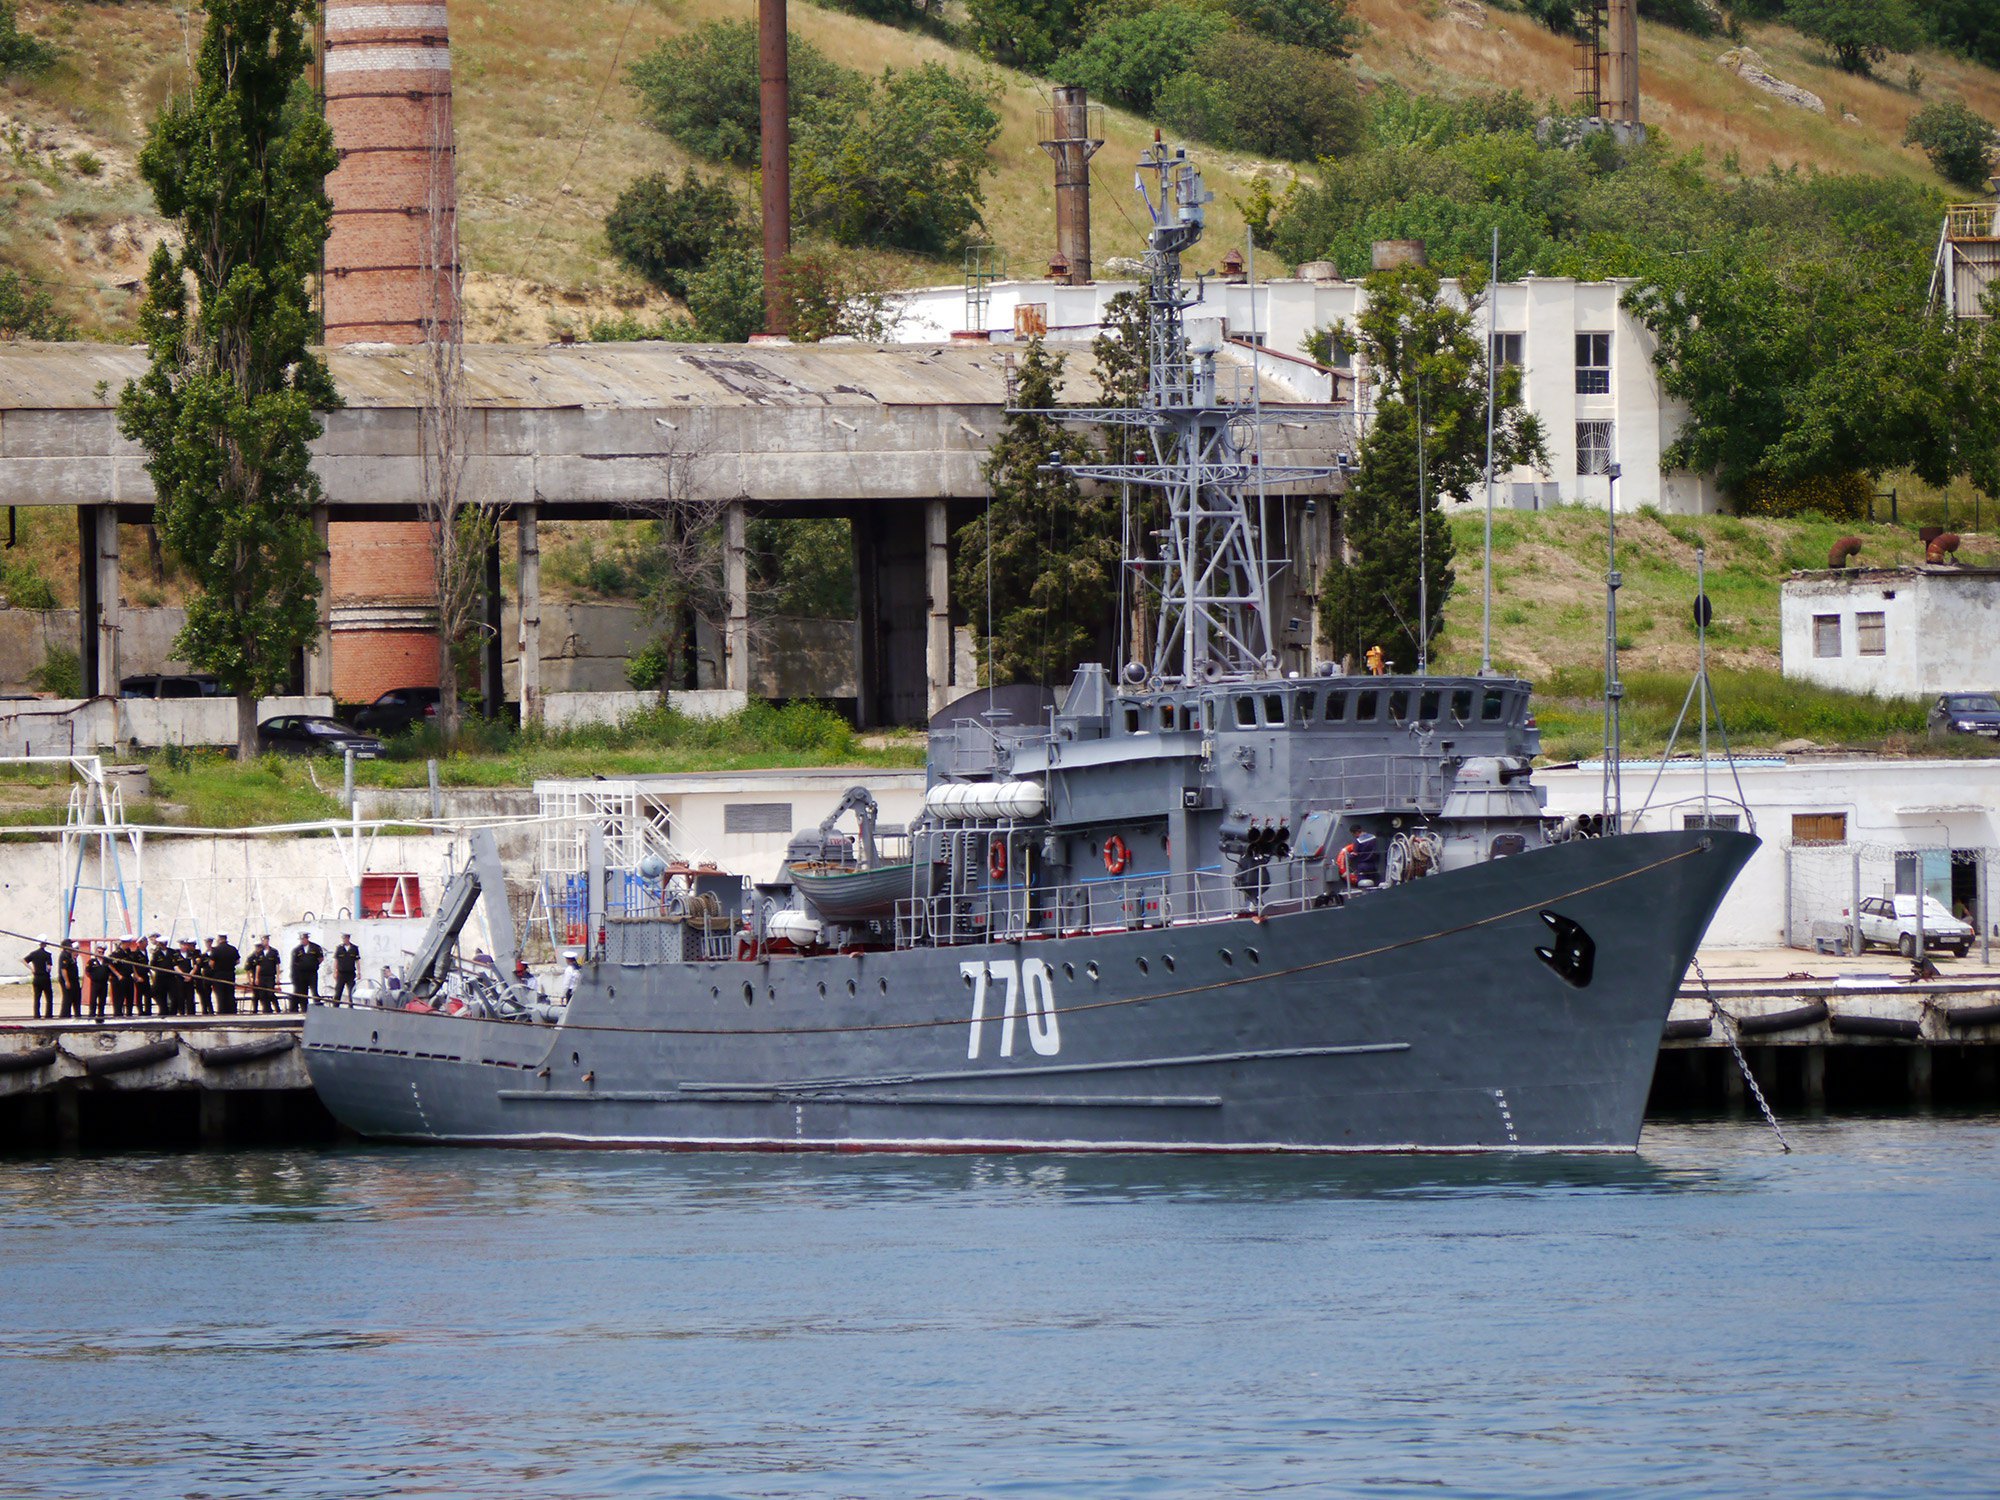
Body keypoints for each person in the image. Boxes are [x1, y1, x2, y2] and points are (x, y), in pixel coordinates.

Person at [290, 932, 324, 1011]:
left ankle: (318, 1008)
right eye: (301, 939)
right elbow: (294, 963)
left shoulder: (315, 947)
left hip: (312, 973)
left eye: (303, 939)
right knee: (303, 992)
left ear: (307, 938)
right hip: (301, 974)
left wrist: (313, 964)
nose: (302, 941)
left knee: (314, 991)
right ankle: (304, 1009)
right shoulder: (297, 950)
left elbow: (320, 958)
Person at [23, 935, 53, 1020]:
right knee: (48, 997)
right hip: (45, 977)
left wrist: (32, 969)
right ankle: (48, 1014)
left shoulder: (33, 954)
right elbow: (49, 967)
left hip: (36, 977)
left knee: (37, 997)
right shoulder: (47, 954)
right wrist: (48, 970)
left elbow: (24, 960)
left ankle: (36, 1014)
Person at [252, 935, 281, 1015]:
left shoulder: (274, 952)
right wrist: (256, 978)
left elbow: (277, 965)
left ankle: (277, 1008)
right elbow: (258, 965)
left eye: (265, 940)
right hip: (262, 977)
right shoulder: (259, 953)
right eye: (262, 940)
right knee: (262, 994)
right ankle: (267, 1009)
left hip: (270, 976)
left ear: (268, 941)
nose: (263, 942)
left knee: (270, 993)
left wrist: (278, 977)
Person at [212, 932, 240, 1016]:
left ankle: (222, 1011)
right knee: (230, 993)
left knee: (220, 994)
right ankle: (231, 1011)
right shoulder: (233, 949)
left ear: (219, 938)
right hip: (230, 974)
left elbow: (211, 963)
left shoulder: (216, 950)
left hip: (219, 974)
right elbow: (237, 961)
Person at [85, 945, 111, 1023]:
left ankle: (100, 1016)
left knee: (102, 1000)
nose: (100, 953)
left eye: (102, 952)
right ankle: (92, 1014)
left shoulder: (106, 961)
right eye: (99, 952)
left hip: (104, 983)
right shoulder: (92, 961)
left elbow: (110, 970)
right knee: (93, 999)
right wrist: (92, 977)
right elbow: (87, 971)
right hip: (95, 983)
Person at [332, 933, 361, 1005]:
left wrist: (359, 972)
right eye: (343, 938)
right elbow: (336, 961)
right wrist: (335, 972)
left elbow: (357, 961)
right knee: (338, 991)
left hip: (350, 973)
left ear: (348, 938)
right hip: (341, 973)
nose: (344, 940)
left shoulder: (354, 948)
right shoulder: (339, 948)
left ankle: (351, 1006)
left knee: (352, 991)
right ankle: (335, 1006)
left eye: (345, 938)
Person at [57, 938, 81, 1019]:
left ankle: (77, 1014)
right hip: (68, 979)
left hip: (74, 979)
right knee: (67, 997)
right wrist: (67, 981)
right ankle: (64, 1015)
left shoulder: (70, 955)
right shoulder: (64, 955)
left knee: (76, 996)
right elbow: (63, 969)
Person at [192, 938, 215, 1017]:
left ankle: (211, 1010)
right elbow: (199, 966)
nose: (208, 943)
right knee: (206, 994)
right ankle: (206, 1010)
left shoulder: (215, 952)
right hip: (205, 977)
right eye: (206, 942)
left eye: (209, 942)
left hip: (215, 976)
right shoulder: (203, 955)